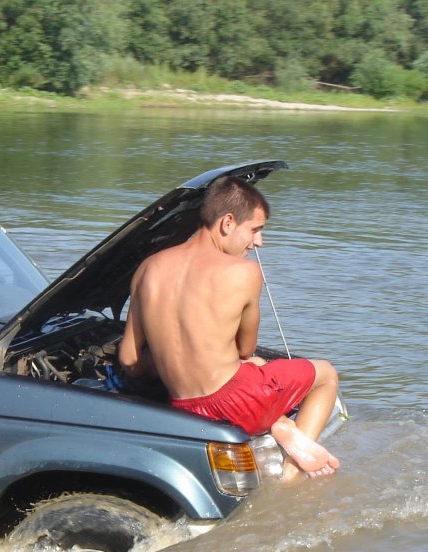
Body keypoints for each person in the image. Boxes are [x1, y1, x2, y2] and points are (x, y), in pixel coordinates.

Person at [119, 176, 340, 480]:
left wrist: (164, 360)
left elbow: (129, 360)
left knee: (250, 368)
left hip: (181, 408)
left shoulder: (147, 269)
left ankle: (279, 424)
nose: (258, 242)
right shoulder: (244, 272)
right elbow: (245, 348)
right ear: (227, 223)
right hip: (239, 405)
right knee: (326, 374)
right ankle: (291, 474)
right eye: (255, 229)